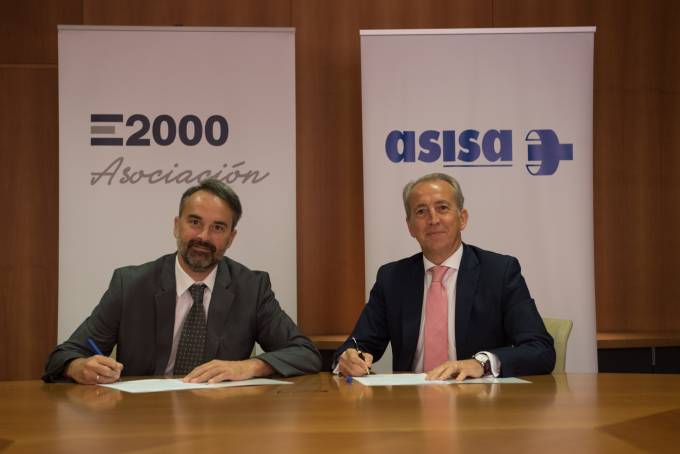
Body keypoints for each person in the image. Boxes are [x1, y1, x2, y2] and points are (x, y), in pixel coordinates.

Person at [44, 179, 321, 384]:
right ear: (176, 225)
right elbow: (64, 355)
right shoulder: (130, 285)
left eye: (218, 227)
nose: (203, 236)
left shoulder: (252, 288)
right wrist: (79, 367)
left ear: (231, 238)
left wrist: (247, 367)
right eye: (195, 222)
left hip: (222, 419)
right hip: (143, 417)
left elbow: (304, 353)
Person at [334, 173, 555, 380]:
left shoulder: (499, 272)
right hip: (410, 402)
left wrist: (481, 363)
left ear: (462, 218)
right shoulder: (392, 278)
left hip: (480, 401)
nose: (433, 219)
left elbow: (540, 349)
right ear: (410, 226)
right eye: (421, 211)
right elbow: (357, 345)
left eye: (442, 208)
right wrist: (349, 358)